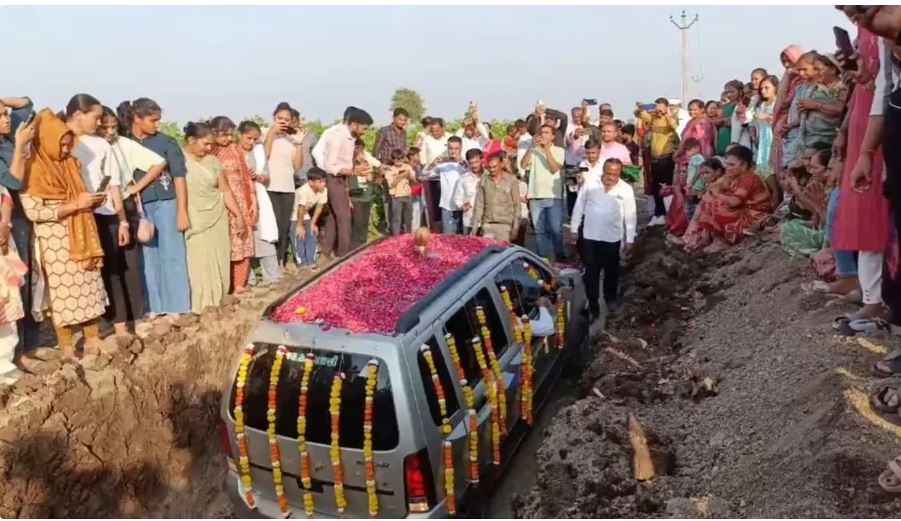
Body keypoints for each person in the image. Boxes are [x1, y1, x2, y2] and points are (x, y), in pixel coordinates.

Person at [22, 109, 108, 359]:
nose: (66, 150)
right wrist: (74, 206)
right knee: (61, 294)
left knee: (89, 285)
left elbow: (80, 194)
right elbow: (34, 211)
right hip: (54, 239)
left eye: (69, 145)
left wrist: (90, 201)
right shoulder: (33, 169)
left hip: (81, 231)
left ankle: (92, 338)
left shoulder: (71, 164)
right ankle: (67, 347)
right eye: (62, 145)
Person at [64, 95, 133, 339]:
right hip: (75, 214)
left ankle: (120, 327)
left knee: (112, 270)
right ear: (78, 115)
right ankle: (88, 331)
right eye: (95, 117)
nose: (99, 122)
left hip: (104, 214)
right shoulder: (64, 143)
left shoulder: (102, 145)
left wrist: (122, 220)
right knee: (83, 273)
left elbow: (114, 185)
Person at [117, 98, 190, 320]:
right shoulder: (123, 143)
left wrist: (182, 210)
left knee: (172, 254)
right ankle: (155, 306)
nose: (157, 124)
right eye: (153, 120)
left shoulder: (166, 142)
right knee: (148, 257)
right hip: (139, 207)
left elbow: (179, 176)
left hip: (167, 202)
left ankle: (177, 305)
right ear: (137, 119)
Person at [97, 107, 164, 338]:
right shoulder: (89, 146)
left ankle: (136, 316)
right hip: (99, 210)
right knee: (110, 268)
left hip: (124, 205)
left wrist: (136, 187)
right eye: (105, 127)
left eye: (113, 126)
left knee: (131, 265)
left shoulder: (123, 144)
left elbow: (158, 162)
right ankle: (114, 319)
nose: (110, 132)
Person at [182, 122, 247, 314]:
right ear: (191, 140)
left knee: (219, 259)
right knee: (198, 262)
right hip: (194, 219)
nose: (209, 148)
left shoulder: (212, 161)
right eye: (205, 144)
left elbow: (224, 190)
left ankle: (219, 302)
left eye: (212, 144)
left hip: (217, 217)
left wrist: (239, 216)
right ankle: (199, 306)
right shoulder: (179, 161)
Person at [569, 158, 636, 320]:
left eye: (615, 174)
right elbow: (579, 206)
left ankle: (610, 299)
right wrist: (574, 229)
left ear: (619, 173)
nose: (611, 177)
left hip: (612, 238)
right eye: (608, 173)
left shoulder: (625, 189)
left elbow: (630, 215)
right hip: (590, 237)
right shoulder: (591, 184)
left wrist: (630, 239)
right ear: (603, 171)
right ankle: (593, 305)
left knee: (611, 272)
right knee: (591, 273)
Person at [682, 145, 772, 252]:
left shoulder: (748, 177)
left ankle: (718, 240)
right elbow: (722, 189)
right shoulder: (736, 176)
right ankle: (700, 238)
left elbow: (735, 202)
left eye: (732, 165)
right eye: (727, 164)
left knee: (716, 205)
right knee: (708, 201)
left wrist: (717, 194)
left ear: (744, 165)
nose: (728, 168)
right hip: (743, 211)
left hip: (754, 216)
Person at [210, 117, 256, 293]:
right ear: (214, 132)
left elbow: (246, 178)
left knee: (243, 243)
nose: (228, 139)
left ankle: (239, 285)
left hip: (241, 201)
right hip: (220, 203)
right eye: (225, 135)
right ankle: (224, 286)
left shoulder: (235, 150)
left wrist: (253, 201)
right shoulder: (209, 152)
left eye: (231, 135)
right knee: (225, 245)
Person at [320, 108, 373, 259]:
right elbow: (330, 167)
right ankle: (344, 254)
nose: (364, 132)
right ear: (355, 124)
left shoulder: (350, 139)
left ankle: (326, 250)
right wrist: (353, 172)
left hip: (343, 178)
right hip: (334, 179)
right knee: (344, 217)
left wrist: (354, 171)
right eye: (364, 128)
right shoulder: (337, 137)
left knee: (333, 216)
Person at [262, 102, 304, 268]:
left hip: (287, 188)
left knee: (284, 225)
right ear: (274, 117)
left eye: (286, 119)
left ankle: (281, 261)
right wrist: (272, 133)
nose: (283, 121)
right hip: (270, 187)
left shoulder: (292, 139)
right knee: (272, 225)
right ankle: (271, 263)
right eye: (280, 118)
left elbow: (297, 165)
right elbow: (264, 156)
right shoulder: (265, 133)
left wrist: (299, 144)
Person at [240, 121, 281, 285]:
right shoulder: (232, 152)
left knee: (263, 236)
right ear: (239, 135)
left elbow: (267, 177)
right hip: (239, 200)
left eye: (255, 139)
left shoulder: (258, 153)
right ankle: (247, 279)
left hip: (258, 199)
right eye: (248, 138)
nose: (251, 142)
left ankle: (273, 277)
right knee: (242, 240)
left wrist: (257, 177)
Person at [521, 123, 565, 260]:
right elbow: (523, 165)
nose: (543, 135)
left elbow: (554, 168)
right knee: (539, 230)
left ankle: (559, 254)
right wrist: (531, 147)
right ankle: (543, 257)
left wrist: (546, 149)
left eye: (546, 133)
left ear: (552, 136)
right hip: (535, 196)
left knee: (555, 229)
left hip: (553, 196)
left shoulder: (559, 150)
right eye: (541, 132)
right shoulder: (534, 150)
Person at [637, 98, 678, 226]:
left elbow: (674, 126)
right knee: (655, 187)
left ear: (666, 107)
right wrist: (641, 107)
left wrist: (666, 114)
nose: (658, 109)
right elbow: (640, 114)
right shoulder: (654, 118)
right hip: (654, 157)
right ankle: (658, 213)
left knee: (666, 187)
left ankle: (667, 214)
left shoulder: (671, 118)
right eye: (657, 106)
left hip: (666, 156)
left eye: (660, 106)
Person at [778, 51, 819, 171]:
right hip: (793, 135)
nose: (801, 73)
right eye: (799, 70)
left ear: (816, 67)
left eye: (805, 69)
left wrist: (790, 125)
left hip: (808, 137)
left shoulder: (818, 89)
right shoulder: (800, 88)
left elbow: (807, 115)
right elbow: (783, 103)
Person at [799, 54, 849, 150]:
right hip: (811, 139)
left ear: (833, 70)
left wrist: (816, 105)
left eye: (818, 69)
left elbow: (841, 109)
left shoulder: (842, 88)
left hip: (832, 139)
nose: (815, 73)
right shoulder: (814, 89)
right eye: (814, 69)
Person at [770, 45, 805, 175]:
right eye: (784, 61)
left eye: (789, 60)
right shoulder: (790, 79)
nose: (786, 64)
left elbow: (785, 102)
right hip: (785, 127)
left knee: (793, 167)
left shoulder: (803, 81)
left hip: (797, 128)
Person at [470, 152, 520, 242]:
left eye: (494, 167)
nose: (492, 170)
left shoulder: (511, 180)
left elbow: (517, 205)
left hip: (505, 225)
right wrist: (474, 229)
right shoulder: (484, 181)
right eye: (489, 167)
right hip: (487, 225)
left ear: (501, 164)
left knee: (502, 250)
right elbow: (479, 205)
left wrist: (515, 227)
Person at [753, 75, 780, 208]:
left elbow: (783, 120)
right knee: (763, 174)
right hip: (763, 141)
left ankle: (777, 203)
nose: (763, 91)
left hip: (774, 139)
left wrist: (768, 117)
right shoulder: (761, 105)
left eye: (767, 88)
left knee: (774, 174)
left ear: (775, 87)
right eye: (762, 88)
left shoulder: (778, 103)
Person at [429, 136, 465, 234]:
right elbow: (425, 174)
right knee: (448, 238)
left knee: (464, 239)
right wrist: (432, 164)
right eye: (450, 148)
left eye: (456, 148)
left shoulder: (466, 164)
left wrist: (462, 162)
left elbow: (472, 172)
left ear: (461, 148)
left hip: (463, 207)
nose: (453, 151)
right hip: (447, 207)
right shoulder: (443, 165)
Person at [293, 167, 327, 269]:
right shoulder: (304, 191)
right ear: (311, 182)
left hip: (305, 213)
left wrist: (313, 223)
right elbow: (300, 208)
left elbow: (319, 206)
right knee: (299, 236)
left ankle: (311, 260)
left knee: (312, 234)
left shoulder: (324, 190)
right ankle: (302, 262)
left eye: (324, 181)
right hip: (294, 214)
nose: (323, 184)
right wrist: (299, 226)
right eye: (320, 182)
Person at [453, 149, 484, 234]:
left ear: (482, 160)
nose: (474, 165)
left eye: (476, 162)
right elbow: (457, 198)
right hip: (469, 221)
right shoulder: (463, 179)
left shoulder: (489, 176)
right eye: (471, 163)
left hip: (486, 221)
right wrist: (462, 206)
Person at [383, 149, 414, 235]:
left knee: (408, 218)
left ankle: (408, 236)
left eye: (401, 158)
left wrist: (408, 175)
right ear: (393, 159)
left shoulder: (407, 167)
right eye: (397, 159)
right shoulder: (390, 170)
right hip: (396, 197)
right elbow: (391, 185)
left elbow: (413, 179)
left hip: (407, 195)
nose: (399, 161)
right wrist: (400, 176)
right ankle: (396, 237)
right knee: (396, 219)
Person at [715, 80, 743, 155]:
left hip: (736, 138)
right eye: (727, 92)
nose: (729, 94)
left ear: (740, 92)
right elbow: (717, 121)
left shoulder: (744, 104)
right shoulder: (726, 106)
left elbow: (737, 121)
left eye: (732, 92)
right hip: (723, 139)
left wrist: (725, 121)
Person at [681, 138, 706, 218]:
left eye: (689, 150)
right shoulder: (694, 158)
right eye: (686, 151)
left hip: (696, 186)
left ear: (697, 148)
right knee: (691, 208)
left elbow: (699, 170)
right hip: (693, 186)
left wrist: (691, 183)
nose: (687, 153)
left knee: (692, 209)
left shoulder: (697, 157)